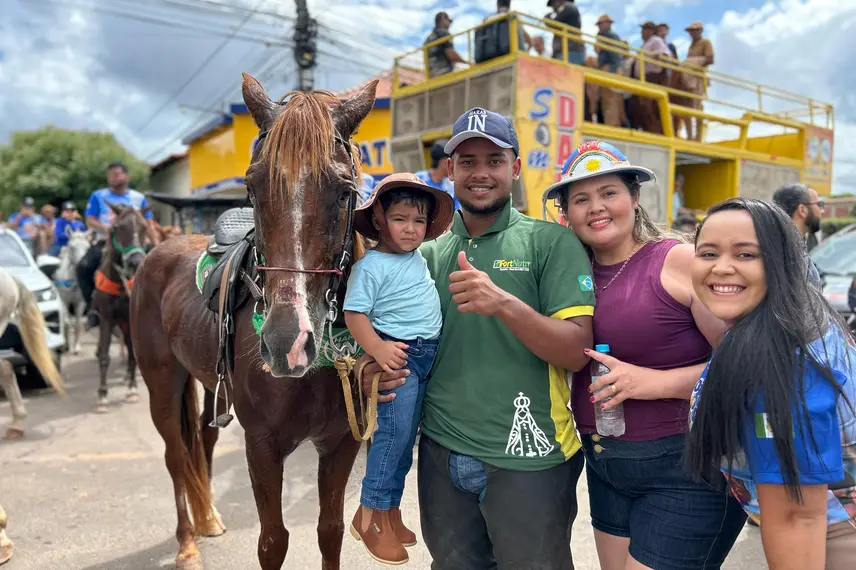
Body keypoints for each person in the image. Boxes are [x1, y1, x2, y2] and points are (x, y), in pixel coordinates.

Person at [357, 107, 595, 569]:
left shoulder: (550, 243)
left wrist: (502, 303)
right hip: (442, 457)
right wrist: (371, 366)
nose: (480, 172)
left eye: (494, 159)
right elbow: (378, 333)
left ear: (516, 168)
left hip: (530, 457)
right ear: (450, 170)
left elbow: (575, 351)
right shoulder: (423, 254)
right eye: (466, 161)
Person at [541, 140, 747, 570]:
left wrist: (652, 383)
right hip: (606, 467)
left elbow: (743, 362)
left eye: (609, 193)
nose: (596, 208)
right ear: (566, 212)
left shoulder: (676, 261)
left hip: (684, 469)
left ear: (634, 198)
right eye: (581, 199)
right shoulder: (566, 274)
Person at [686, 197, 856, 570]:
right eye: (708, 253)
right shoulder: (778, 317)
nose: (722, 268)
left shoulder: (786, 363)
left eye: (746, 255)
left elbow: (798, 517)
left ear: (781, 261)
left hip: (830, 541)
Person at [345, 172, 455, 565]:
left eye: (419, 221)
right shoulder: (372, 265)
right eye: (400, 219)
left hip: (427, 356)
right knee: (391, 439)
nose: (411, 229)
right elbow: (355, 312)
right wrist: (376, 348)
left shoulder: (415, 257)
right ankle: (368, 516)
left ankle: (389, 513)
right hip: (402, 357)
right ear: (379, 219)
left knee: (405, 443)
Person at [77, 161, 158, 328]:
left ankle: (154, 307)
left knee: (156, 269)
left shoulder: (139, 198)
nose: (113, 177)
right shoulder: (98, 196)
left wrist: (157, 245)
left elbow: (148, 223)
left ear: (126, 176)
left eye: (116, 173)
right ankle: (93, 308)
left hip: (135, 245)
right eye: (110, 174)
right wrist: (106, 228)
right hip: (106, 243)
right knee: (83, 267)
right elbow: (90, 220)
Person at [772, 183, 824, 290]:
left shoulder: (775, 244)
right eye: (819, 204)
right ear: (802, 210)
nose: (822, 211)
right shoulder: (786, 253)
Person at [414, 139, 459, 210]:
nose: (453, 167)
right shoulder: (417, 180)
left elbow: (457, 211)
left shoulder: (451, 185)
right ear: (444, 163)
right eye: (451, 163)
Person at [424, 12, 468, 78]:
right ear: (442, 19)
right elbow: (451, 54)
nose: (449, 24)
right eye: (448, 21)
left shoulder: (428, 39)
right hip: (444, 73)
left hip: (431, 76)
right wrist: (467, 63)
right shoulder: (444, 33)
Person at [547, 0, 585, 65]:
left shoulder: (568, 7)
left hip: (570, 51)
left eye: (553, 3)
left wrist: (548, 17)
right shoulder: (568, 8)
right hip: (566, 51)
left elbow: (555, 23)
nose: (553, 7)